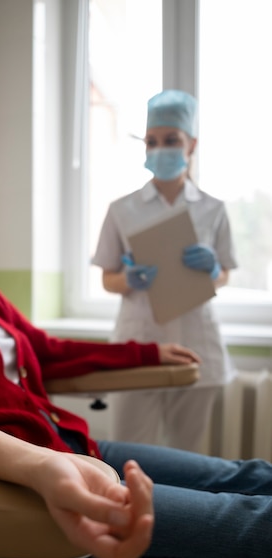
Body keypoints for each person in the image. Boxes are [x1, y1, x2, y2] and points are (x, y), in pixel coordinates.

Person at [0, 136, 272, 558]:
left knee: (251, 475)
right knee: (252, 519)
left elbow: (47, 350)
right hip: (22, 495)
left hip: (68, 446)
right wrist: (43, 466)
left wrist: (145, 352)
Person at [92, 89, 237, 451]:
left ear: (192, 144)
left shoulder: (213, 209)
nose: (161, 149)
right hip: (139, 341)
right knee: (129, 453)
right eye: (152, 142)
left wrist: (214, 269)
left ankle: (177, 512)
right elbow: (107, 278)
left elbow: (224, 276)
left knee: (187, 459)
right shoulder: (121, 209)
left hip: (195, 342)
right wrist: (127, 279)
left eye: (171, 140)